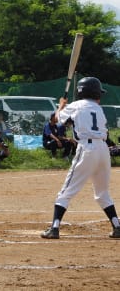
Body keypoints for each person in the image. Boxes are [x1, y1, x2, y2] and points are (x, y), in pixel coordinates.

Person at [41, 77, 120, 239]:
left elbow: (57, 121)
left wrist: (61, 106)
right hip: (103, 150)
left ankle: (54, 228)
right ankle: (117, 226)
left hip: (87, 149)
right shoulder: (98, 108)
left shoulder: (76, 105)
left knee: (65, 192)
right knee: (102, 193)